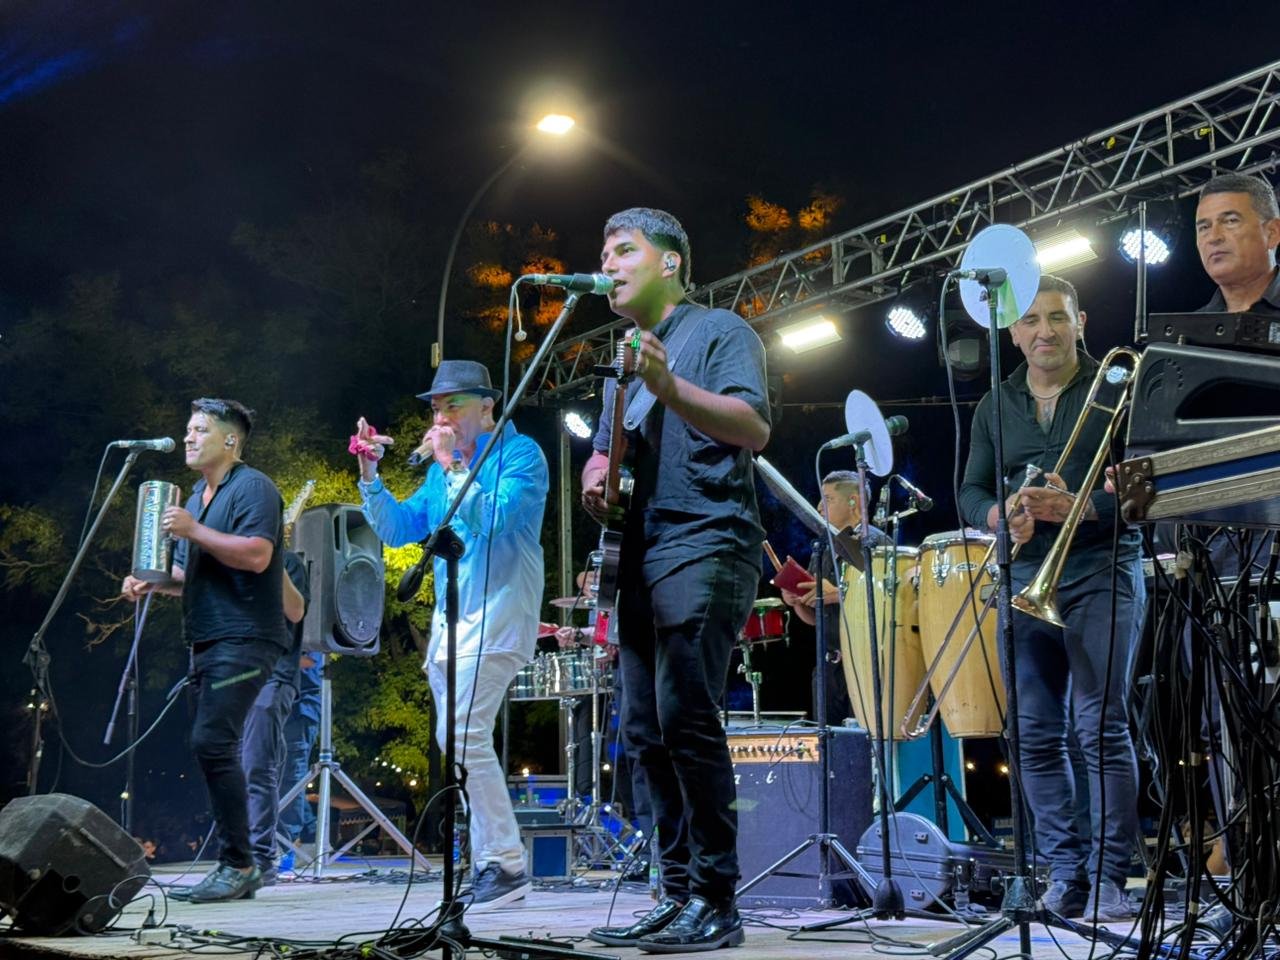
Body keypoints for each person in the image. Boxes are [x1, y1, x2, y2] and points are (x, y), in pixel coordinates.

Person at [581, 208, 770, 952]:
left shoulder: (720, 332)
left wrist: (667, 383)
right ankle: (677, 890)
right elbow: (607, 454)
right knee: (643, 730)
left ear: (670, 263)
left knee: (685, 715)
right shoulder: (621, 366)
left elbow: (752, 427)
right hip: (639, 553)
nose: (607, 263)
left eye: (623, 250)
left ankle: (718, 900)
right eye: (604, 253)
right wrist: (596, 476)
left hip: (707, 537)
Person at [958, 276, 1145, 921]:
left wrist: (1081, 508)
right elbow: (970, 490)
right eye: (1031, 321)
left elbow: (1150, 489)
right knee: (1033, 734)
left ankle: (1109, 879)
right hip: (1026, 574)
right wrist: (998, 514)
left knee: (1099, 727)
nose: (1045, 331)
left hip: (1100, 567)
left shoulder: (1118, 387)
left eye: (1058, 318)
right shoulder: (994, 403)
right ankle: (1064, 874)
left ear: (1080, 322)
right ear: (1012, 333)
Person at [350, 359, 548, 911]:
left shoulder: (522, 455)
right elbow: (398, 530)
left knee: (463, 735)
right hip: (450, 621)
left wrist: (452, 462)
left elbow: (495, 519)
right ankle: (491, 862)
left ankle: (506, 863)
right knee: (456, 740)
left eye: (452, 406)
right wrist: (371, 477)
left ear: (487, 407)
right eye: (436, 409)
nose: (440, 418)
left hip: (499, 613)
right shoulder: (441, 471)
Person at [121, 398, 304, 903]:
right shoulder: (198, 500)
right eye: (188, 429)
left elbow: (259, 555)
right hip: (206, 638)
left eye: (200, 429)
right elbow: (191, 573)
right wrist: (154, 582)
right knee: (210, 745)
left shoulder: (254, 487)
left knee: (212, 740)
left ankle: (240, 864)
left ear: (230, 440)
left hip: (247, 636)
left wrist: (193, 530)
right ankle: (238, 863)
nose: (188, 437)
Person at [777, 471, 887, 725]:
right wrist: (797, 601)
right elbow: (815, 619)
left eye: (828, 499)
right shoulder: (824, 547)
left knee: (864, 739)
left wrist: (838, 593)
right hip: (828, 669)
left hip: (865, 666)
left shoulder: (875, 542)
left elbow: (886, 598)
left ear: (854, 502)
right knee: (828, 741)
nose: (818, 507)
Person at [239, 549, 309, 885]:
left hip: (271, 675)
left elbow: (294, 610)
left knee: (257, 764)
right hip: (235, 677)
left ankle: (261, 858)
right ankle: (237, 856)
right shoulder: (228, 563)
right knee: (233, 765)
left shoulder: (288, 564)